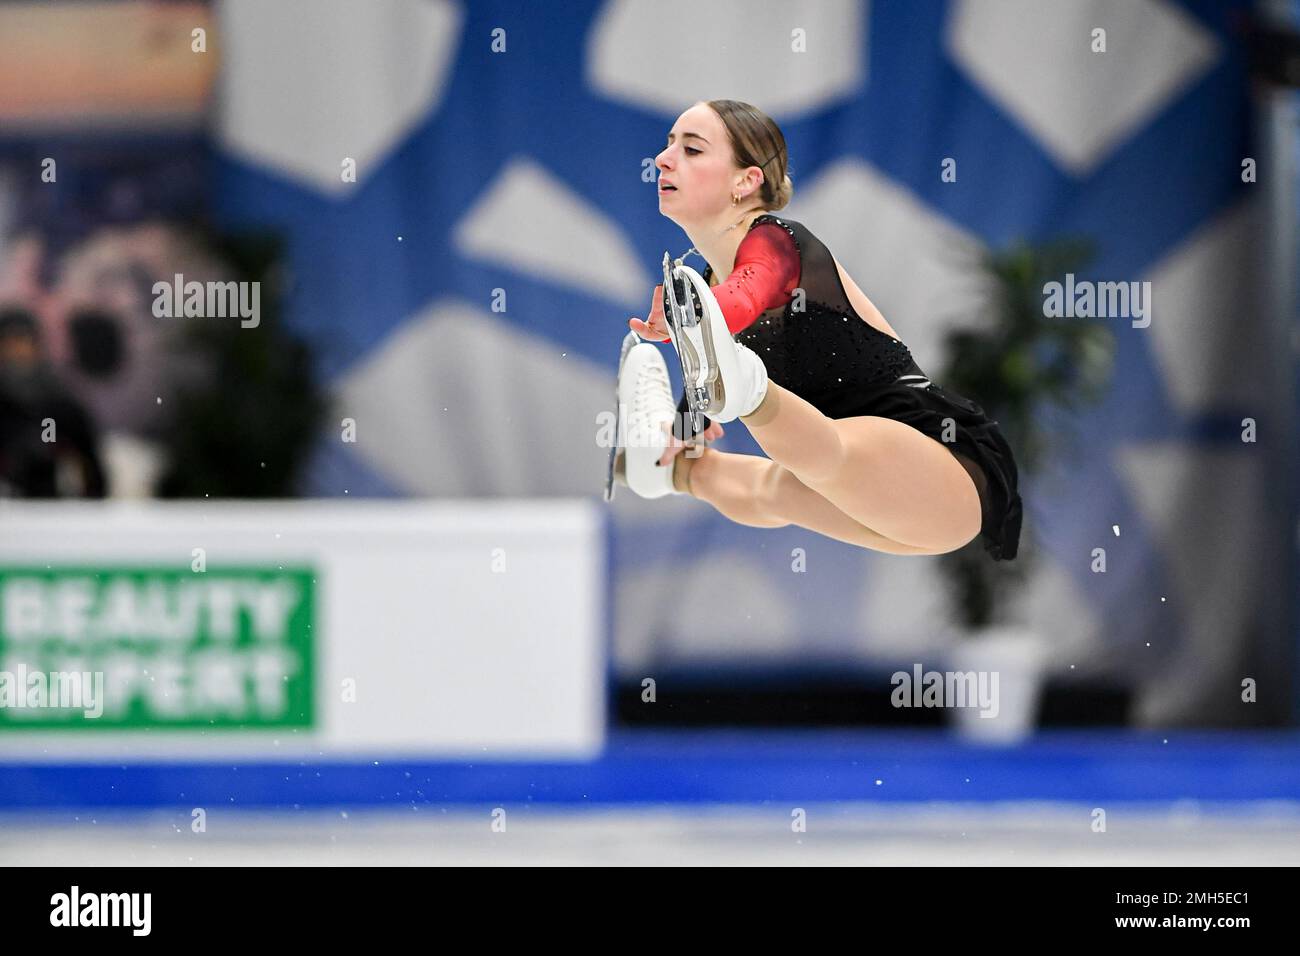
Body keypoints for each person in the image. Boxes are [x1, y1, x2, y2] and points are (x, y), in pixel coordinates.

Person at [612, 99, 1021, 560]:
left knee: (819, 450)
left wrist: (697, 319)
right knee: (774, 489)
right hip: (865, 495)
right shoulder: (708, 281)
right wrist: (683, 429)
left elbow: (747, 296)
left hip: (940, 469)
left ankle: (751, 391)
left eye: (691, 149)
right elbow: (712, 356)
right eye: (668, 146)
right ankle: (665, 471)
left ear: (746, 182)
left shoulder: (778, 239)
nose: (663, 159)